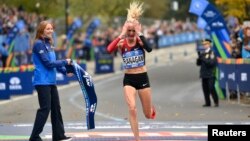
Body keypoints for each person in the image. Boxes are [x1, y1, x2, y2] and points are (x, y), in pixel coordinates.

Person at [107, 1, 156, 141]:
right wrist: (121, 34)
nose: (130, 33)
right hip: (129, 79)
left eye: (132, 31)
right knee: (132, 108)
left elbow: (150, 49)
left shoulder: (140, 42)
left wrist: (140, 33)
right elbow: (109, 49)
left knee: (147, 114)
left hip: (142, 78)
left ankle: (150, 108)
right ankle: (137, 139)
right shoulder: (122, 43)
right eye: (128, 31)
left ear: (136, 31)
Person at [29, 20, 72, 141]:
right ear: (41, 31)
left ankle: (58, 135)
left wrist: (65, 71)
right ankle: (34, 137)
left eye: (51, 28)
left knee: (56, 108)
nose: (50, 31)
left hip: (51, 82)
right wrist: (65, 61)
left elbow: (54, 63)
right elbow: (48, 64)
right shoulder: (38, 44)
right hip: (42, 82)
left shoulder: (49, 44)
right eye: (48, 29)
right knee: (45, 109)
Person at [196, 39, 219, 107]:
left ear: (209, 45)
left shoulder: (212, 53)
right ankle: (207, 102)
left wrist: (203, 59)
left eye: (206, 44)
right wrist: (199, 59)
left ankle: (216, 101)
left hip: (210, 73)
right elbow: (198, 64)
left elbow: (211, 63)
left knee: (211, 87)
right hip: (204, 73)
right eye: (204, 44)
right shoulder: (203, 53)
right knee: (205, 89)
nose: (205, 45)